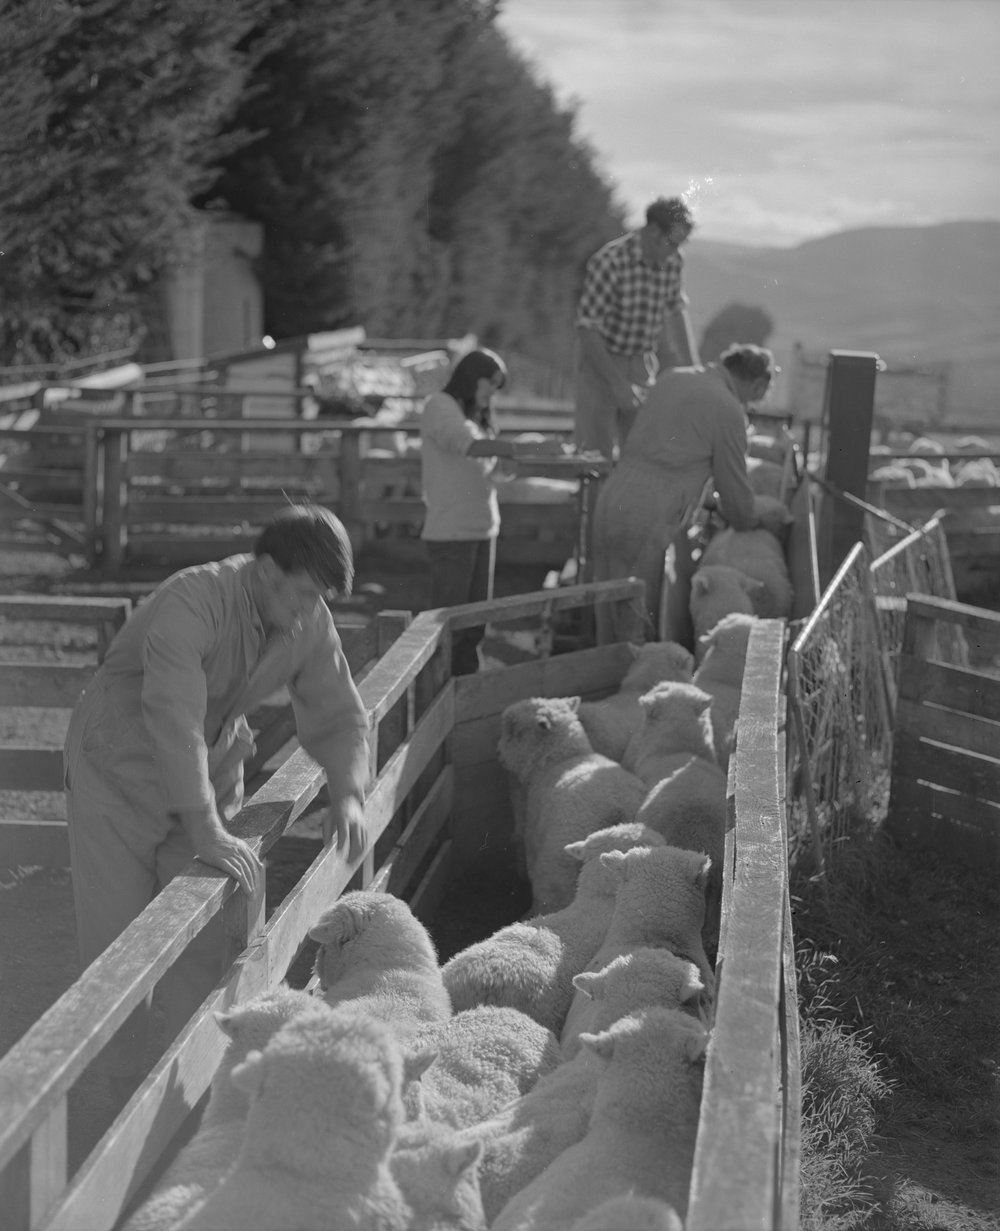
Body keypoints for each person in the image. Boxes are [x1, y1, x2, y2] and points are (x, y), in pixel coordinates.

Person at [63, 504, 370, 1100]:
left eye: (320, 597)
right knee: (118, 940)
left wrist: (350, 793)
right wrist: (205, 827)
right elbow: (172, 715)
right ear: (264, 571)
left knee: (212, 930)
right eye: (305, 593)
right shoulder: (193, 599)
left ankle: (200, 1085)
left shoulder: (306, 616)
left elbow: (337, 709)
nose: (311, 609)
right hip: (118, 764)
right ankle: (114, 1097)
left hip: (208, 759)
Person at [591, 343, 779, 646]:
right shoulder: (728, 409)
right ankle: (630, 687)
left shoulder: (672, 377)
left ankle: (604, 683)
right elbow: (735, 495)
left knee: (608, 605)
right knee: (636, 617)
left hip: (615, 492)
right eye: (756, 398)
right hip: (649, 509)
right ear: (757, 383)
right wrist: (754, 518)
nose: (751, 405)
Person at [419, 347, 560, 675]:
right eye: (490, 383)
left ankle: (465, 693)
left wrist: (524, 455)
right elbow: (468, 445)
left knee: (474, 626)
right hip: (453, 531)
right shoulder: (440, 407)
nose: (493, 393)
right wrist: (529, 447)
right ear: (472, 378)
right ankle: (437, 695)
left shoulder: (475, 419)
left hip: (481, 529)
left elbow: (492, 469)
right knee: (448, 626)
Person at [574, 195, 698, 460]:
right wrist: (617, 384)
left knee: (641, 456)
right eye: (672, 242)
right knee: (596, 459)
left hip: (642, 365)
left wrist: (693, 370)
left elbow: (676, 313)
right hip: (601, 365)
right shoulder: (610, 262)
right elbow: (587, 330)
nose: (676, 251)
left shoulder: (673, 262)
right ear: (653, 232)